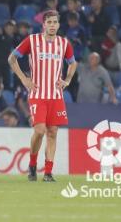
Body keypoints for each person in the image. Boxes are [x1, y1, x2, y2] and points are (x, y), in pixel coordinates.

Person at [8, 10, 78, 182]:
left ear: (59, 25)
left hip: (55, 95)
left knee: (53, 132)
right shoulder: (32, 41)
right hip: (38, 94)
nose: (52, 25)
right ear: (44, 25)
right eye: (49, 22)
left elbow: (73, 63)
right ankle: (32, 164)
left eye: (55, 22)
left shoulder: (64, 43)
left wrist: (67, 79)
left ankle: (48, 172)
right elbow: (12, 58)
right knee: (39, 130)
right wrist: (24, 79)